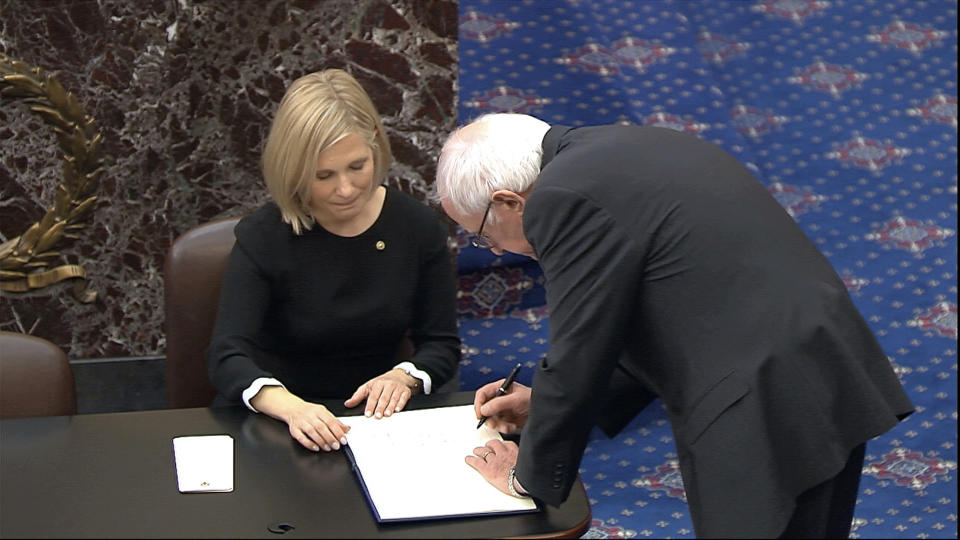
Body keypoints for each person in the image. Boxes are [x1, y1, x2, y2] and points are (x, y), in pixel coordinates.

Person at [434, 113, 914, 538]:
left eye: (484, 236)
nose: (495, 252)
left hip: (760, 397)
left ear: (510, 202)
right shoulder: (627, 146)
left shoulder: (560, 198)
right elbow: (652, 309)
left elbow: (578, 348)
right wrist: (543, 403)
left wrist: (527, 476)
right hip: (821, 360)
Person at [207, 69, 460, 454]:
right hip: (277, 424)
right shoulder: (263, 236)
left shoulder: (417, 226)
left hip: (377, 424)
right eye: (323, 175)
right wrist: (292, 408)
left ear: (376, 148)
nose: (345, 189)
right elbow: (227, 355)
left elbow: (441, 344)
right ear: (292, 170)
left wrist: (402, 378)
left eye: (357, 167)